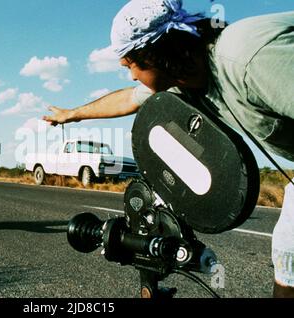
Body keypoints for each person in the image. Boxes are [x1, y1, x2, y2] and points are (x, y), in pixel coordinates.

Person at [43, 0, 294, 297]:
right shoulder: (182, 81)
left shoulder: (249, 58)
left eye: (130, 65)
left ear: (157, 54)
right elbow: (129, 100)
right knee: (288, 263)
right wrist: (73, 114)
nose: (132, 76)